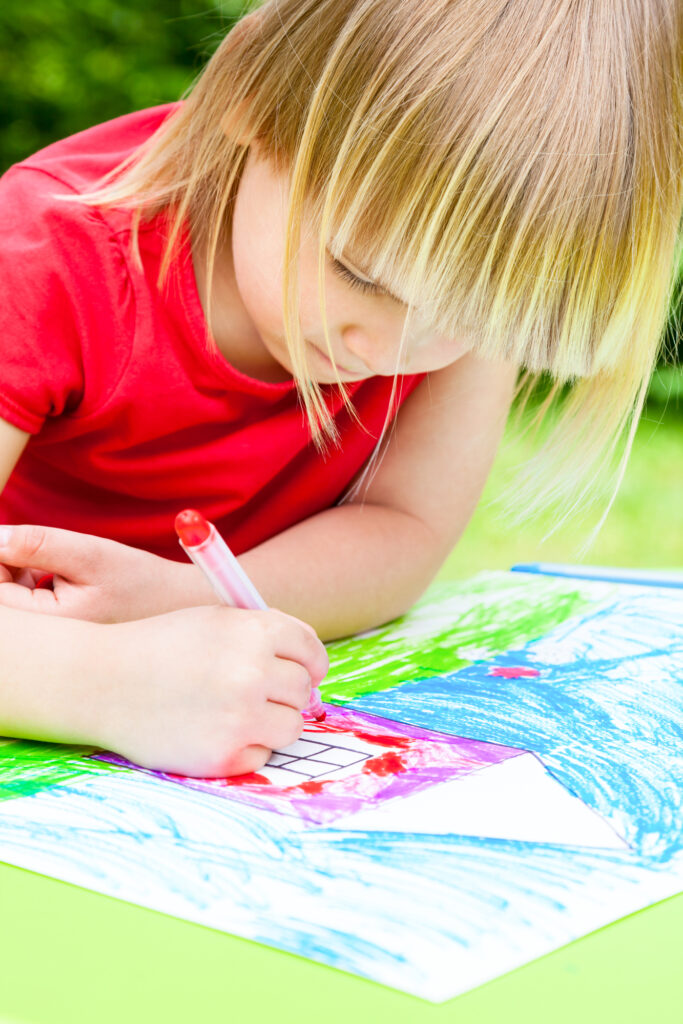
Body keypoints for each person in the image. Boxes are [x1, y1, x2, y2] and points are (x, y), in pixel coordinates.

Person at [0, 0, 680, 777]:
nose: (387, 351)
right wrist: (105, 684)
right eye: (356, 272)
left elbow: (404, 531)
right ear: (253, 94)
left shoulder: (456, 293)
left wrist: (183, 594)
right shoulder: (44, 255)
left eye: (461, 317)